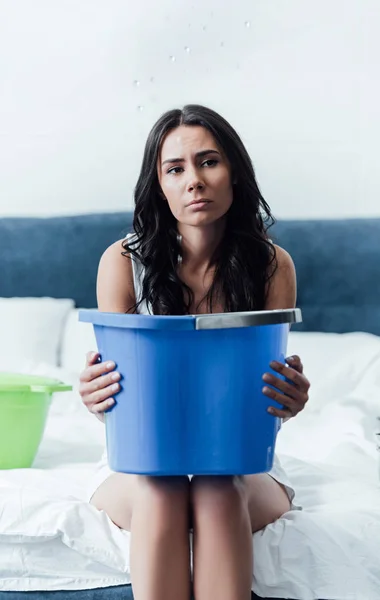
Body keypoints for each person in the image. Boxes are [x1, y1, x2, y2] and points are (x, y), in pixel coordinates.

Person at [79, 104, 310, 600]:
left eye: (209, 162)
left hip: (240, 460)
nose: (194, 181)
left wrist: (286, 404)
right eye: (175, 169)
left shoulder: (272, 265)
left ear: (235, 173)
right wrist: (99, 399)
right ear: (159, 185)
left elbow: (259, 407)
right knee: (162, 493)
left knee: (217, 489)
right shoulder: (121, 263)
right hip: (140, 460)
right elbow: (124, 405)